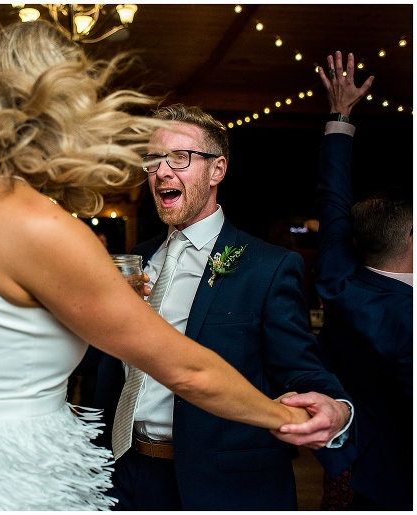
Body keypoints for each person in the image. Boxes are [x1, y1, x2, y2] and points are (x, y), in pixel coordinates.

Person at [0, 21, 318, 511]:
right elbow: (187, 370)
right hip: (14, 469)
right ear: (58, 109)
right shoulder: (38, 225)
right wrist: (290, 419)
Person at [93, 103, 354, 510]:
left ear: (217, 170)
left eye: (180, 157)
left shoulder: (267, 267)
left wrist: (337, 409)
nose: (162, 171)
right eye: (153, 159)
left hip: (221, 487)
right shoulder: (137, 260)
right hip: (126, 474)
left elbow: (302, 369)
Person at [305, 50, 412, 510]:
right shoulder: (403, 320)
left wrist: (339, 115)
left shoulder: (339, 278)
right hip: (397, 475)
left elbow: (333, 199)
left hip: (356, 459)